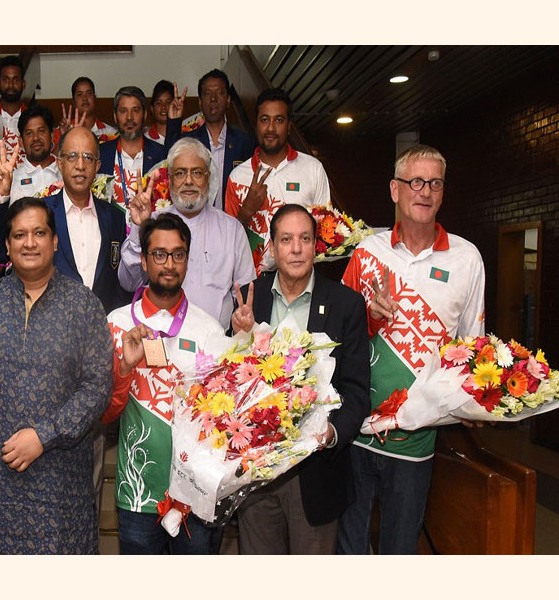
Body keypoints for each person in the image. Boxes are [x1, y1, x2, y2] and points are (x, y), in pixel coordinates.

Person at [0, 197, 113, 554]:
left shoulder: (83, 305)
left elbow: (97, 389)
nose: (29, 243)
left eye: (39, 233)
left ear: (55, 241)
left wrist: (43, 436)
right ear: (7, 245)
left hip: (60, 488)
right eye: (19, 235)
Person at [336, 144, 486, 555]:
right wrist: (369, 315)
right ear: (394, 190)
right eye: (415, 182)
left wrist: (478, 399)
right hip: (356, 430)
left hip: (417, 437)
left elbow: (473, 346)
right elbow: (335, 341)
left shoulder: (467, 258)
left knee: (399, 550)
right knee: (348, 548)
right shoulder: (368, 252)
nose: (425, 191)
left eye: (435, 183)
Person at [231, 204, 370, 554]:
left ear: (315, 247)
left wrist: (333, 432)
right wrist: (239, 337)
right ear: (272, 249)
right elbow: (230, 382)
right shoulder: (251, 299)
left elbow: (356, 390)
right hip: (257, 476)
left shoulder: (346, 304)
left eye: (305, 239)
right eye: (287, 239)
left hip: (316, 474)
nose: (296, 248)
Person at [103, 212, 233, 554]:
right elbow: (104, 415)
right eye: (159, 254)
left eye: (178, 254)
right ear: (144, 261)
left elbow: (225, 420)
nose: (169, 263)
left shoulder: (209, 330)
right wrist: (124, 369)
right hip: (138, 492)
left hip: (196, 494)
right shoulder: (115, 324)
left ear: (188, 260)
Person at [0, 126, 130, 314]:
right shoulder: (39, 212)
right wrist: (0, 196)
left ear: (97, 166)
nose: (80, 165)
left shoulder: (114, 217)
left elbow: (119, 282)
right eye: (72, 156)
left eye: (88, 157)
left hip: (99, 332)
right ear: (59, 163)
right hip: (47, 330)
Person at [120, 137, 254, 330]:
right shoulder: (153, 223)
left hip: (213, 346)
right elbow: (128, 283)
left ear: (208, 177)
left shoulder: (231, 230)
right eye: (180, 173)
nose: (189, 181)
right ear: (170, 179)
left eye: (197, 173)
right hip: (159, 343)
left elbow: (244, 299)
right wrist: (138, 227)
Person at [224, 87, 332, 274]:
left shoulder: (313, 169)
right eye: (264, 120)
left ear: (289, 126)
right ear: (256, 124)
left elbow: (325, 235)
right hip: (252, 284)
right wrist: (247, 211)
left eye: (279, 120)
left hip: (301, 282)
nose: (271, 128)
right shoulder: (237, 176)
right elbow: (226, 244)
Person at [165, 69, 255, 210]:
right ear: (200, 102)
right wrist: (174, 122)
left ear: (228, 100)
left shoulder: (245, 143)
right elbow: (169, 163)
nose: (213, 99)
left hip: (233, 223)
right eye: (207, 94)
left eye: (219, 93)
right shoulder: (190, 141)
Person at [98, 86, 170, 212]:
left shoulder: (161, 155)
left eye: (135, 110)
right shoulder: (101, 154)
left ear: (145, 115)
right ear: (115, 116)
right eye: (123, 111)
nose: (129, 117)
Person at [9, 103, 61, 201]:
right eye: (29, 133)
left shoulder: (66, 172)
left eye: (41, 131)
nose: (36, 138)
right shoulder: (12, 180)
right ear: (21, 141)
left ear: (52, 136)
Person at [56, 76, 118, 144]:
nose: (85, 98)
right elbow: (53, 154)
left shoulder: (111, 133)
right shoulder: (62, 131)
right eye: (80, 94)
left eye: (89, 93)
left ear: (94, 98)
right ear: (73, 102)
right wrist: (64, 138)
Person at [0, 55, 27, 158]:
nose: (11, 85)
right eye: (6, 79)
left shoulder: (32, 118)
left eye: (16, 80)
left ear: (23, 84)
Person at [145, 79, 174, 144]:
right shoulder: (145, 140)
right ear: (152, 108)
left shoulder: (184, 137)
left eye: (168, 102)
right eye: (158, 103)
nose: (163, 107)